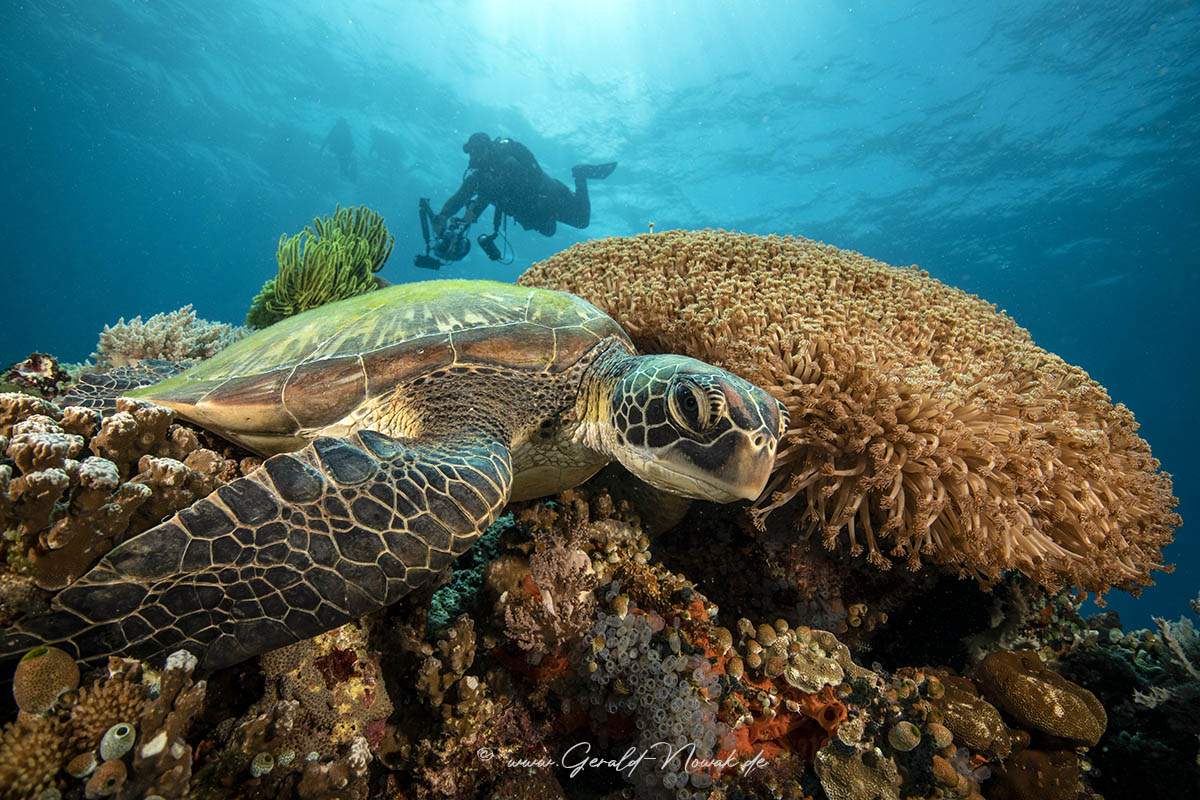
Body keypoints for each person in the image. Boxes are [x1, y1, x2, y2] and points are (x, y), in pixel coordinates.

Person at [433, 133, 616, 244]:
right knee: (549, 231)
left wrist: (477, 206)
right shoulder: (478, 179)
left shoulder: (508, 159)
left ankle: (580, 173)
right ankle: (579, 175)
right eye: (471, 151)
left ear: (488, 147)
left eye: (477, 150)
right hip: (533, 213)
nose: (474, 155)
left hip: (550, 196)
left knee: (582, 221)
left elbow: (531, 175)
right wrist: (443, 215)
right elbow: (460, 196)